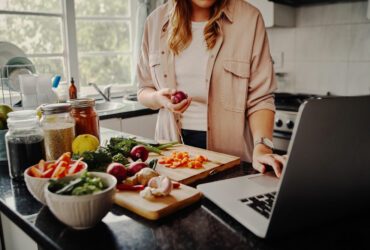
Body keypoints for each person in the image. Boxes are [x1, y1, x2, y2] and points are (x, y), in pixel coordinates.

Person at [137, 0, 287, 177]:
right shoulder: (154, 22)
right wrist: (158, 98)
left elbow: (261, 98)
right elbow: (143, 89)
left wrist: (262, 147)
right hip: (171, 155)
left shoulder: (249, 19)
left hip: (231, 158)